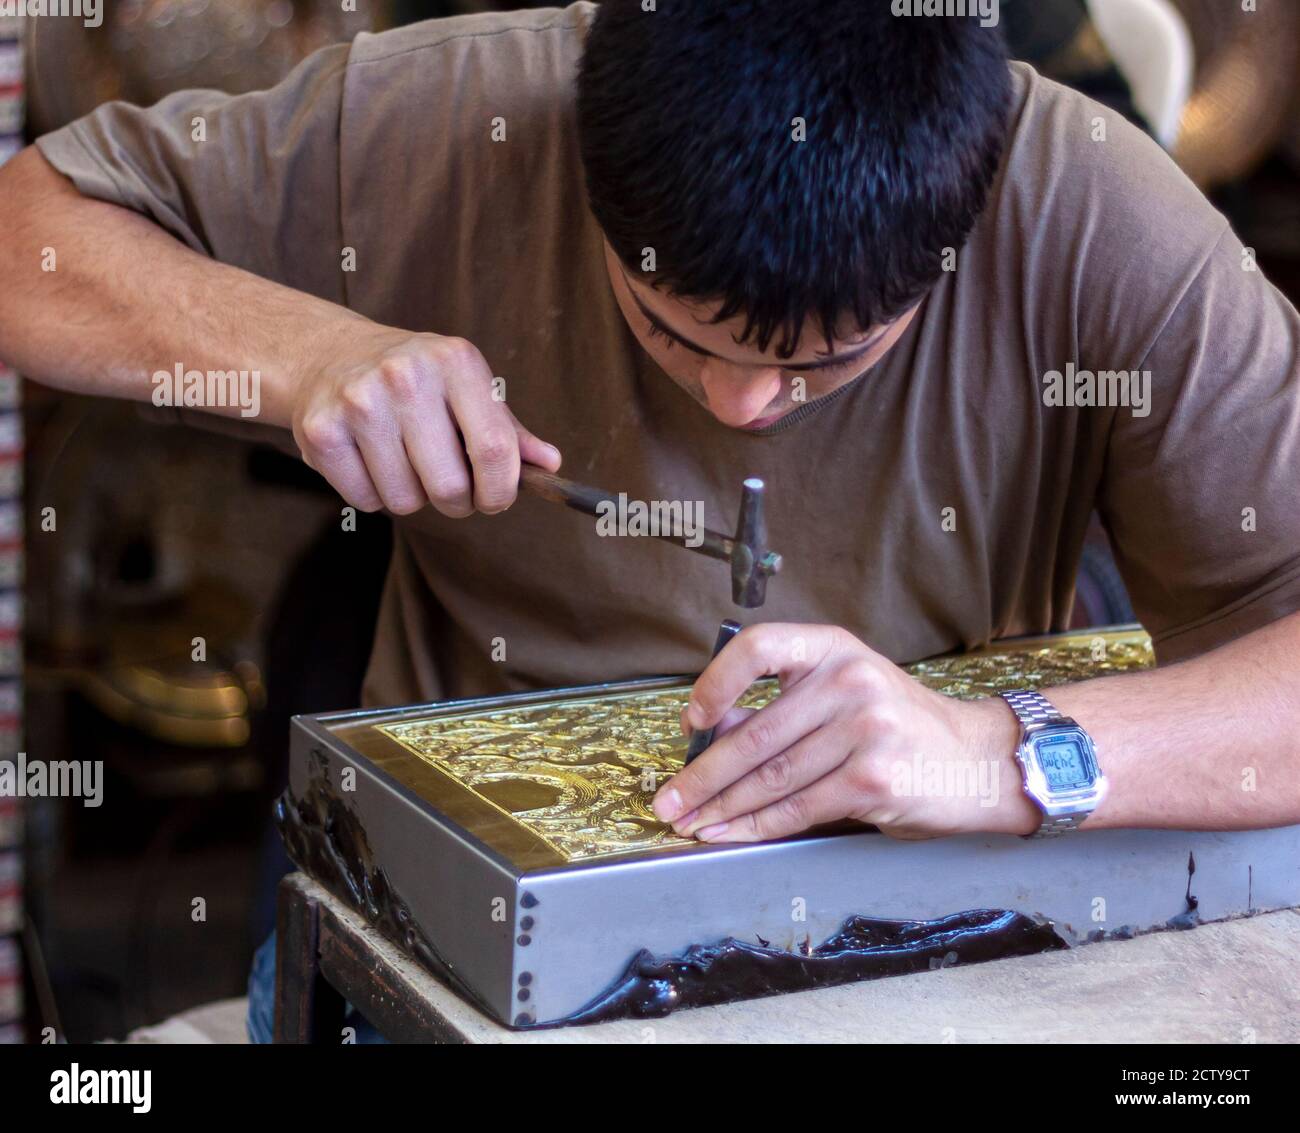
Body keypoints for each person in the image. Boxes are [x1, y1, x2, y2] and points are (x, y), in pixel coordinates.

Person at [2, 1, 1298, 899]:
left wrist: (995, 754)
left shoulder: (1096, 216)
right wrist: (308, 355)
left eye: (822, 364)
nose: (741, 409)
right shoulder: (469, 116)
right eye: (674, 336)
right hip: (459, 869)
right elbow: (27, 237)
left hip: (922, 889)